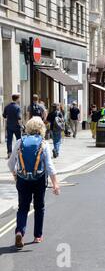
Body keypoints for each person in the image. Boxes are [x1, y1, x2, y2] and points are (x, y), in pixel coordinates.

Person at [7, 116, 60, 249]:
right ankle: (37, 236)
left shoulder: (20, 142)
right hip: (39, 179)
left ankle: (19, 231)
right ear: (41, 128)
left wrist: (15, 175)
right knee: (39, 207)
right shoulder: (44, 143)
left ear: (28, 128)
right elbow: (49, 166)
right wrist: (55, 184)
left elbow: (10, 163)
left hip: (22, 179)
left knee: (23, 208)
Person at [3, 94, 23, 159]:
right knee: (19, 140)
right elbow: (19, 118)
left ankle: (9, 153)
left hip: (9, 126)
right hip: (17, 127)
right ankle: (19, 153)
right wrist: (22, 126)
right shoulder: (18, 107)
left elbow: (4, 115)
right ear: (17, 99)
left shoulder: (7, 106)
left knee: (9, 140)